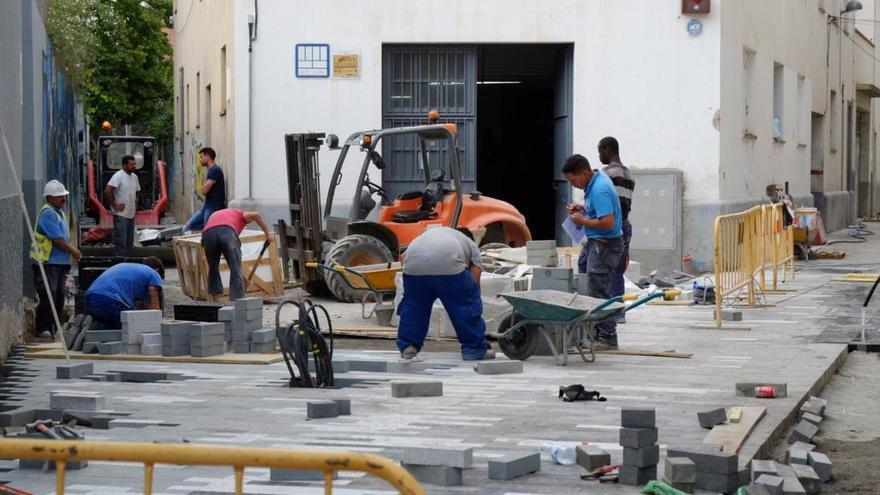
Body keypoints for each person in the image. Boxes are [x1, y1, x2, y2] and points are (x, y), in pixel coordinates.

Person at [396, 226, 494, 362]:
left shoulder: (430, 234)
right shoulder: (470, 244)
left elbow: (403, 258)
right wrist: (472, 300)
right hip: (449, 264)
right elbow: (474, 281)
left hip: (413, 265)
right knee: (464, 306)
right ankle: (474, 349)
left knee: (414, 307)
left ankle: (408, 347)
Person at [563, 154, 623, 350]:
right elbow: (599, 213)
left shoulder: (599, 189)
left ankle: (607, 337)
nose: (573, 185)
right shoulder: (594, 183)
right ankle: (596, 331)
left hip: (604, 244)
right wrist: (583, 209)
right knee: (589, 279)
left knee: (599, 289)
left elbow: (608, 222)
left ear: (585, 172)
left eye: (573, 180)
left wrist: (582, 221)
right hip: (596, 243)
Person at [31, 180, 82, 338]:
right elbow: (58, 239)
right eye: (60, 196)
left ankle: (54, 327)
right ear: (51, 197)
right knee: (49, 293)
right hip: (46, 262)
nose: (64, 199)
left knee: (59, 295)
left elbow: (64, 238)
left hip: (59, 262)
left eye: (64, 196)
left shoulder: (59, 213)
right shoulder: (47, 213)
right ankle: (41, 327)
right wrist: (73, 250)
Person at [598, 136, 635, 322]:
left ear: (607, 149)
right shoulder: (629, 174)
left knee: (605, 272)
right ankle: (619, 313)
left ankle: (608, 314)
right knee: (618, 271)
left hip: (612, 228)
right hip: (626, 226)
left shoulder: (606, 174)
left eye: (600, 151)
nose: (599, 156)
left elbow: (605, 205)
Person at [201, 208, 273, 301]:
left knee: (213, 269)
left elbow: (217, 234)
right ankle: (237, 302)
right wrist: (268, 234)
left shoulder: (220, 214)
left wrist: (243, 279)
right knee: (235, 268)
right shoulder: (241, 214)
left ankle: (215, 303)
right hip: (227, 233)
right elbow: (256, 214)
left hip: (208, 235)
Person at [84, 258, 165, 329]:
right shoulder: (153, 273)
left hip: (89, 298)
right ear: (157, 270)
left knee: (110, 327)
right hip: (108, 300)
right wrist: (156, 325)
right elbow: (153, 297)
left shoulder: (132, 269)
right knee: (132, 327)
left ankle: (92, 328)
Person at [104, 154, 141, 256]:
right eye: (131, 164)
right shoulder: (118, 175)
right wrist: (115, 205)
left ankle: (127, 263)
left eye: (134, 164)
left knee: (129, 242)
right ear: (124, 165)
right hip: (121, 215)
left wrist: (136, 201)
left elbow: (138, 190)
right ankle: (120, 263)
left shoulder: (134, 177)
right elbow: (108, 191)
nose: (134, 166)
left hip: (131, 214)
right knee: (121, 242)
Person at [185, 147, 226, 231]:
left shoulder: (215, 170)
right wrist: (204, 186)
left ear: (207, 157)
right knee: (189, 226)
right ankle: (216, 227)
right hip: (206, 207)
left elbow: (204, 191)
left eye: (201, 156)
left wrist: (203, 187)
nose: (200, 159)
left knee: (208, 230)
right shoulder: (211, 171)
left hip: (213, 207)